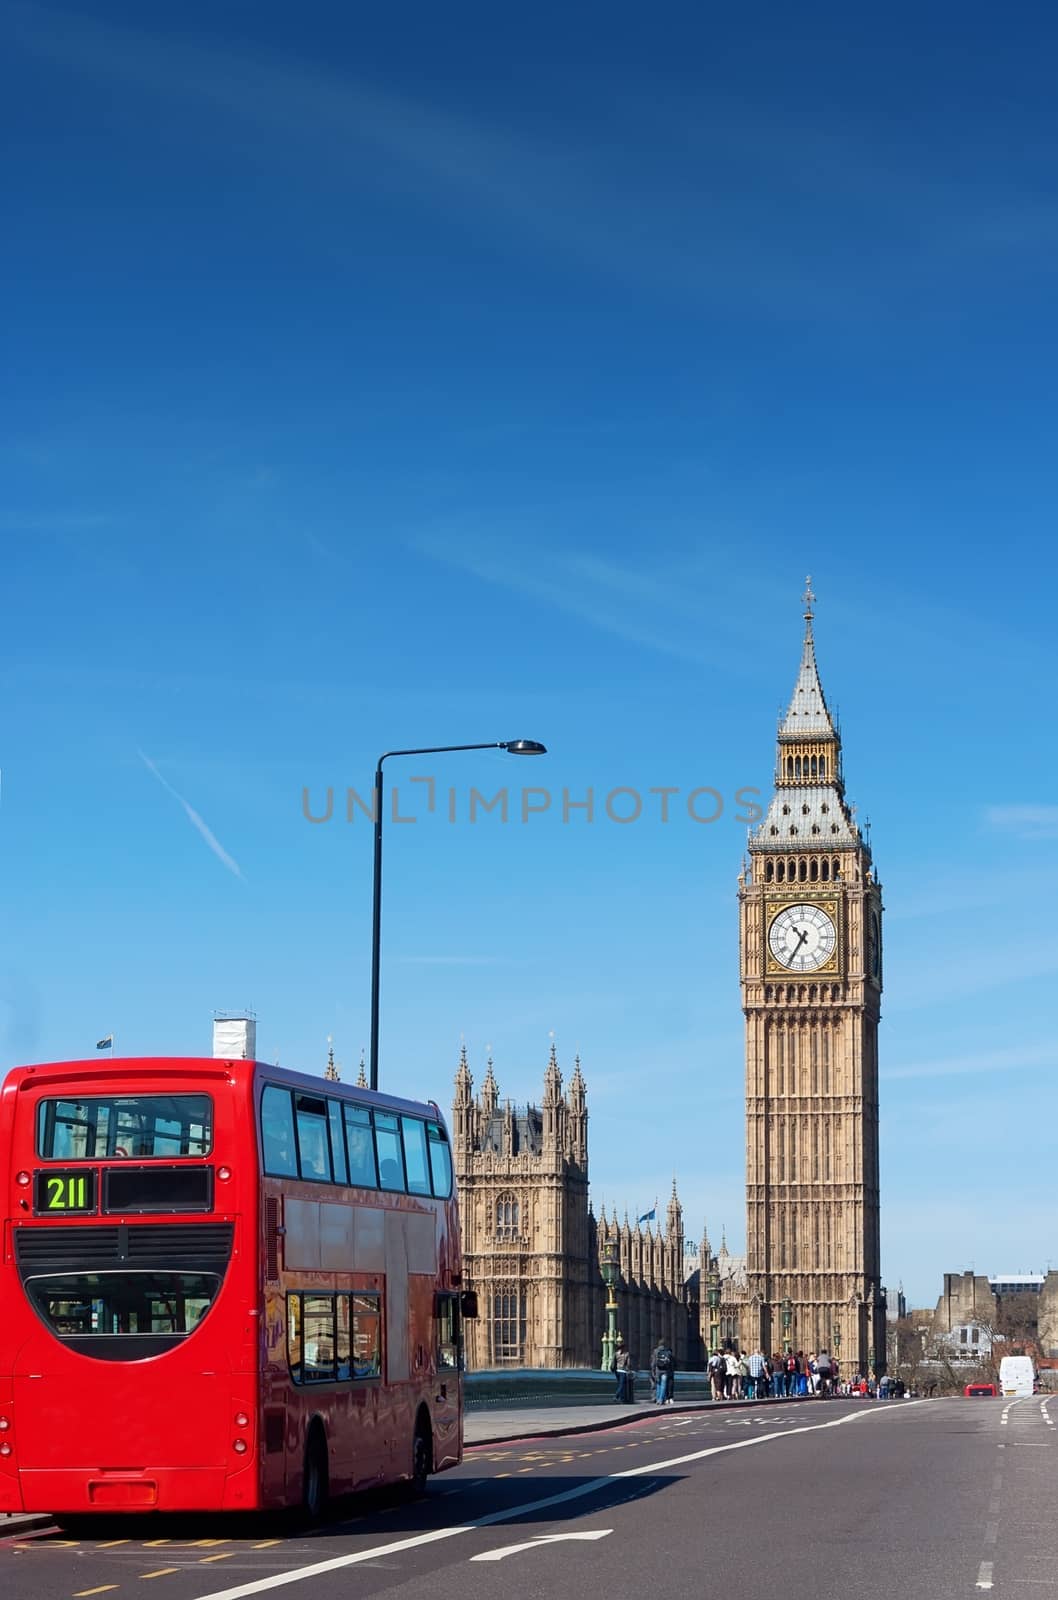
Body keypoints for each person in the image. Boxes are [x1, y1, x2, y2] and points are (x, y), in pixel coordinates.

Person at [651, 1340, 675, 1404]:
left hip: (658, 1370)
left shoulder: (655, 1351)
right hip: (665, 1371)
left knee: (658, 1384)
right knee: (663, 1385)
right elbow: (671, 1363)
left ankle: (658, 1399)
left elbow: (653, 1362)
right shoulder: (668, 1352)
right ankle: (661, 1399)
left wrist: (653, 1371)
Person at [613, 1338, 634, 1403]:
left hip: (617, 1371)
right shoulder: (626, 1354)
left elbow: (613, 1362)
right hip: (623, 1371)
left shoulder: (616, 1354)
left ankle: (622, 1399)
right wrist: (629, 1370)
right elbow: (628, 1364)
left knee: (621, 1384)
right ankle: (616, 1396)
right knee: (622, 1385)